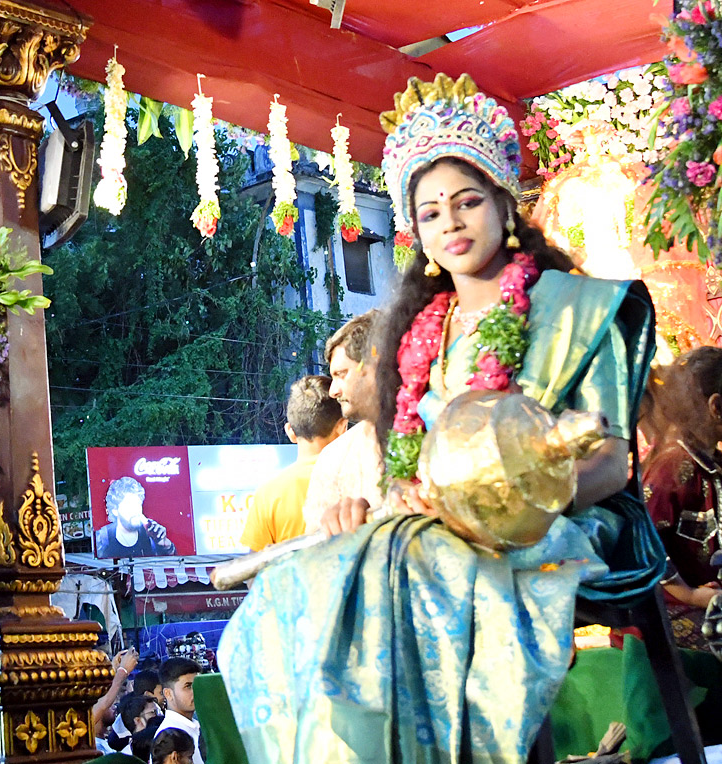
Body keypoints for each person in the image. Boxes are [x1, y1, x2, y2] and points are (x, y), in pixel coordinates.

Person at [219, 73, 663, 764]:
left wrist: (508, 498)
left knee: (428, 577)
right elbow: (409, 469)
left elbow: (609, 460)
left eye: (466, 202)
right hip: (426, 529)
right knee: (285, 598)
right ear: (416, 229)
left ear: (502, 204)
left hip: (559, 519)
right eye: (430, 213)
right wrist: (371, 510)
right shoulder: (422, 330)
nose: (451, 223)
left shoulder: (580, 309)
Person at [640, 347, 722, 648]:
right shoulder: (671, 469)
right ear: (716, 407)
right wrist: (689, 594)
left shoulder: (711, 463)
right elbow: (645, 543)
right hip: (669, 611)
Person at [300, 311, 386, 535]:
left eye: (342, 374)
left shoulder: (432, 426)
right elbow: (313, 549)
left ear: (377, 366)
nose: (333, 390)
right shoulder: (334, 458)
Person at [240, 375, 345, 551]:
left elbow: (254, 573)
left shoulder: (268, 494)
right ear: (342, 427)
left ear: (290, 432)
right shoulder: (362, 479)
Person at [95, 477, 176, 557]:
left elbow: (172, 562)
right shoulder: (102, 538)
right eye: (130, 505)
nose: (136, 510)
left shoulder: (151, 533)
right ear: (115, 510)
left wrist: (165, 545)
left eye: (138, 504)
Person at [155, 657, 204, 764]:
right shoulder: (169, 736)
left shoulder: (198, 725)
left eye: (197, 685)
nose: (195, 691)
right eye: (188, 686)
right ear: (168, 693)